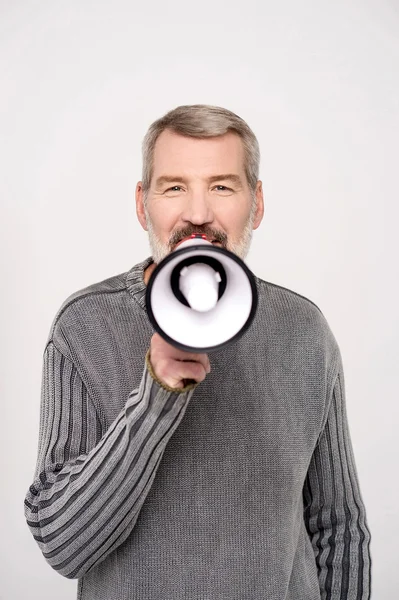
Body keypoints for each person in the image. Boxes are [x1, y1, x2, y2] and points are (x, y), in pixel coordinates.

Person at [24, 104, 372, 600]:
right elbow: (63, 546)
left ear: (257, 204)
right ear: (143, 205)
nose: (198, 213)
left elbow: (340, 529)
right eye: (174, 187)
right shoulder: (85, 326)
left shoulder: (304, 330)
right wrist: (155, 396)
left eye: (223, 186)